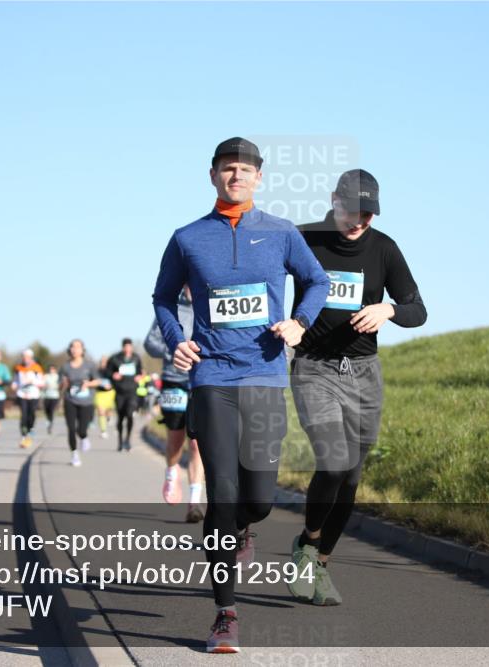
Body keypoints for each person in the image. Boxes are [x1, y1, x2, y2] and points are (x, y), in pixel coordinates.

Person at [152, 137, 329, 653]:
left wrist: (299, 322)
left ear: (259, 177)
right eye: (228, 169)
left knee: (258, 500)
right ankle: (225, 613)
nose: (236, 176)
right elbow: (162, 297)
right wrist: (177, 339)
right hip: (212, 378)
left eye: (245, 169)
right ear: (213, 176)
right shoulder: (187, 238)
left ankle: (244, 528)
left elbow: (315, 282)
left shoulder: (280, 233)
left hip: (265, 375)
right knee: (223, 497)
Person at [287, 169, 426, 606]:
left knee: (350, 478)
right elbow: (264, 279)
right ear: (334, 200)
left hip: (364, 373)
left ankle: (321, 564)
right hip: (314, 367)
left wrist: (388, 310)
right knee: (333, 460)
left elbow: (417, 309)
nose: (359, 221)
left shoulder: (384, 248)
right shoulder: (305, 237)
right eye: (352, 211)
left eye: (368, 213)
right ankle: (308, 543)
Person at [144, 286, 205, 524]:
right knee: (176, 438)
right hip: (174, 379)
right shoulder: (171, 307)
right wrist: (174, 348)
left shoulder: (208, 305)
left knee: (198, 443)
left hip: (201, 380)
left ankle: (195, 501)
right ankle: (171, 473)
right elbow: (150, 343)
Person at [59, 339, 99, 466]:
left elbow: (98, 381)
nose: (75, 349)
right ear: (69, 350)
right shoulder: (65, 366)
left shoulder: (90, 365)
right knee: (71, 428)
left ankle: (83, 437)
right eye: (72, 347)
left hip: (86, 400)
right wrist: (63, 384)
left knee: (81, 429)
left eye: (77, 347)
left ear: (82, 350)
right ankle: (74, 454)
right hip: (70, 399)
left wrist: (88, 383)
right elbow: (60, 385)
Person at [105, 338, 143, 452]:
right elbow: (107, 372)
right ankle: (120, 441)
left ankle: (128, 440)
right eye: (125, 347)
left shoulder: (136, 358)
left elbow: (140, 371)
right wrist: (113, 375)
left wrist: (139, 376)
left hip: (132, 391)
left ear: (131, 347)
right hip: (120, 391)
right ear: (123, 347)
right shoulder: (115, 358)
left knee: (130, 415)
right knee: (121, 417)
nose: (127, 349)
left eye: (129, 346)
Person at [12, 349, 45, 448]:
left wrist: (33, 381)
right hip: (22, 394)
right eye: (24, 357)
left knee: (31, 414)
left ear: (31, 358)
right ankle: (23, 436)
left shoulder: (37, 368)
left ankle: (31, 429)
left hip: (33, 395)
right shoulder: (18, 368)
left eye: (27, 357)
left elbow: (42, 383)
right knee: (23, 415)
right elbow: (15, 381)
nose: (25, 359)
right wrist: (14, 385)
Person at [93, 355, 115, 439]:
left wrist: (111, 385)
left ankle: (109, 417)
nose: (104, 363)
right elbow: (93, 380)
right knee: (101, 411)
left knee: (108, 411)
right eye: (102, 361)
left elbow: (115, 380)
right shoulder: (96, 371)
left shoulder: (111, 371)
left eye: (105, 361)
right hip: (100, 393)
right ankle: (103, 431)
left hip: (110, 393)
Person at [42, 365, 61, 435]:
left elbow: (60, 385)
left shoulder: (57, 376)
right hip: (46, 395)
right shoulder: (46, 376)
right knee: (47, 410)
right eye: (50, 369)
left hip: (54, 396)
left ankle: (51, 422)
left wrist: (56, 386)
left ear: (55, 370)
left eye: (53, 369)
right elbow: (42, 384)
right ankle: (48, 421)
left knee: (52, 410)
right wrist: (45, 386)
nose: (51, 370)